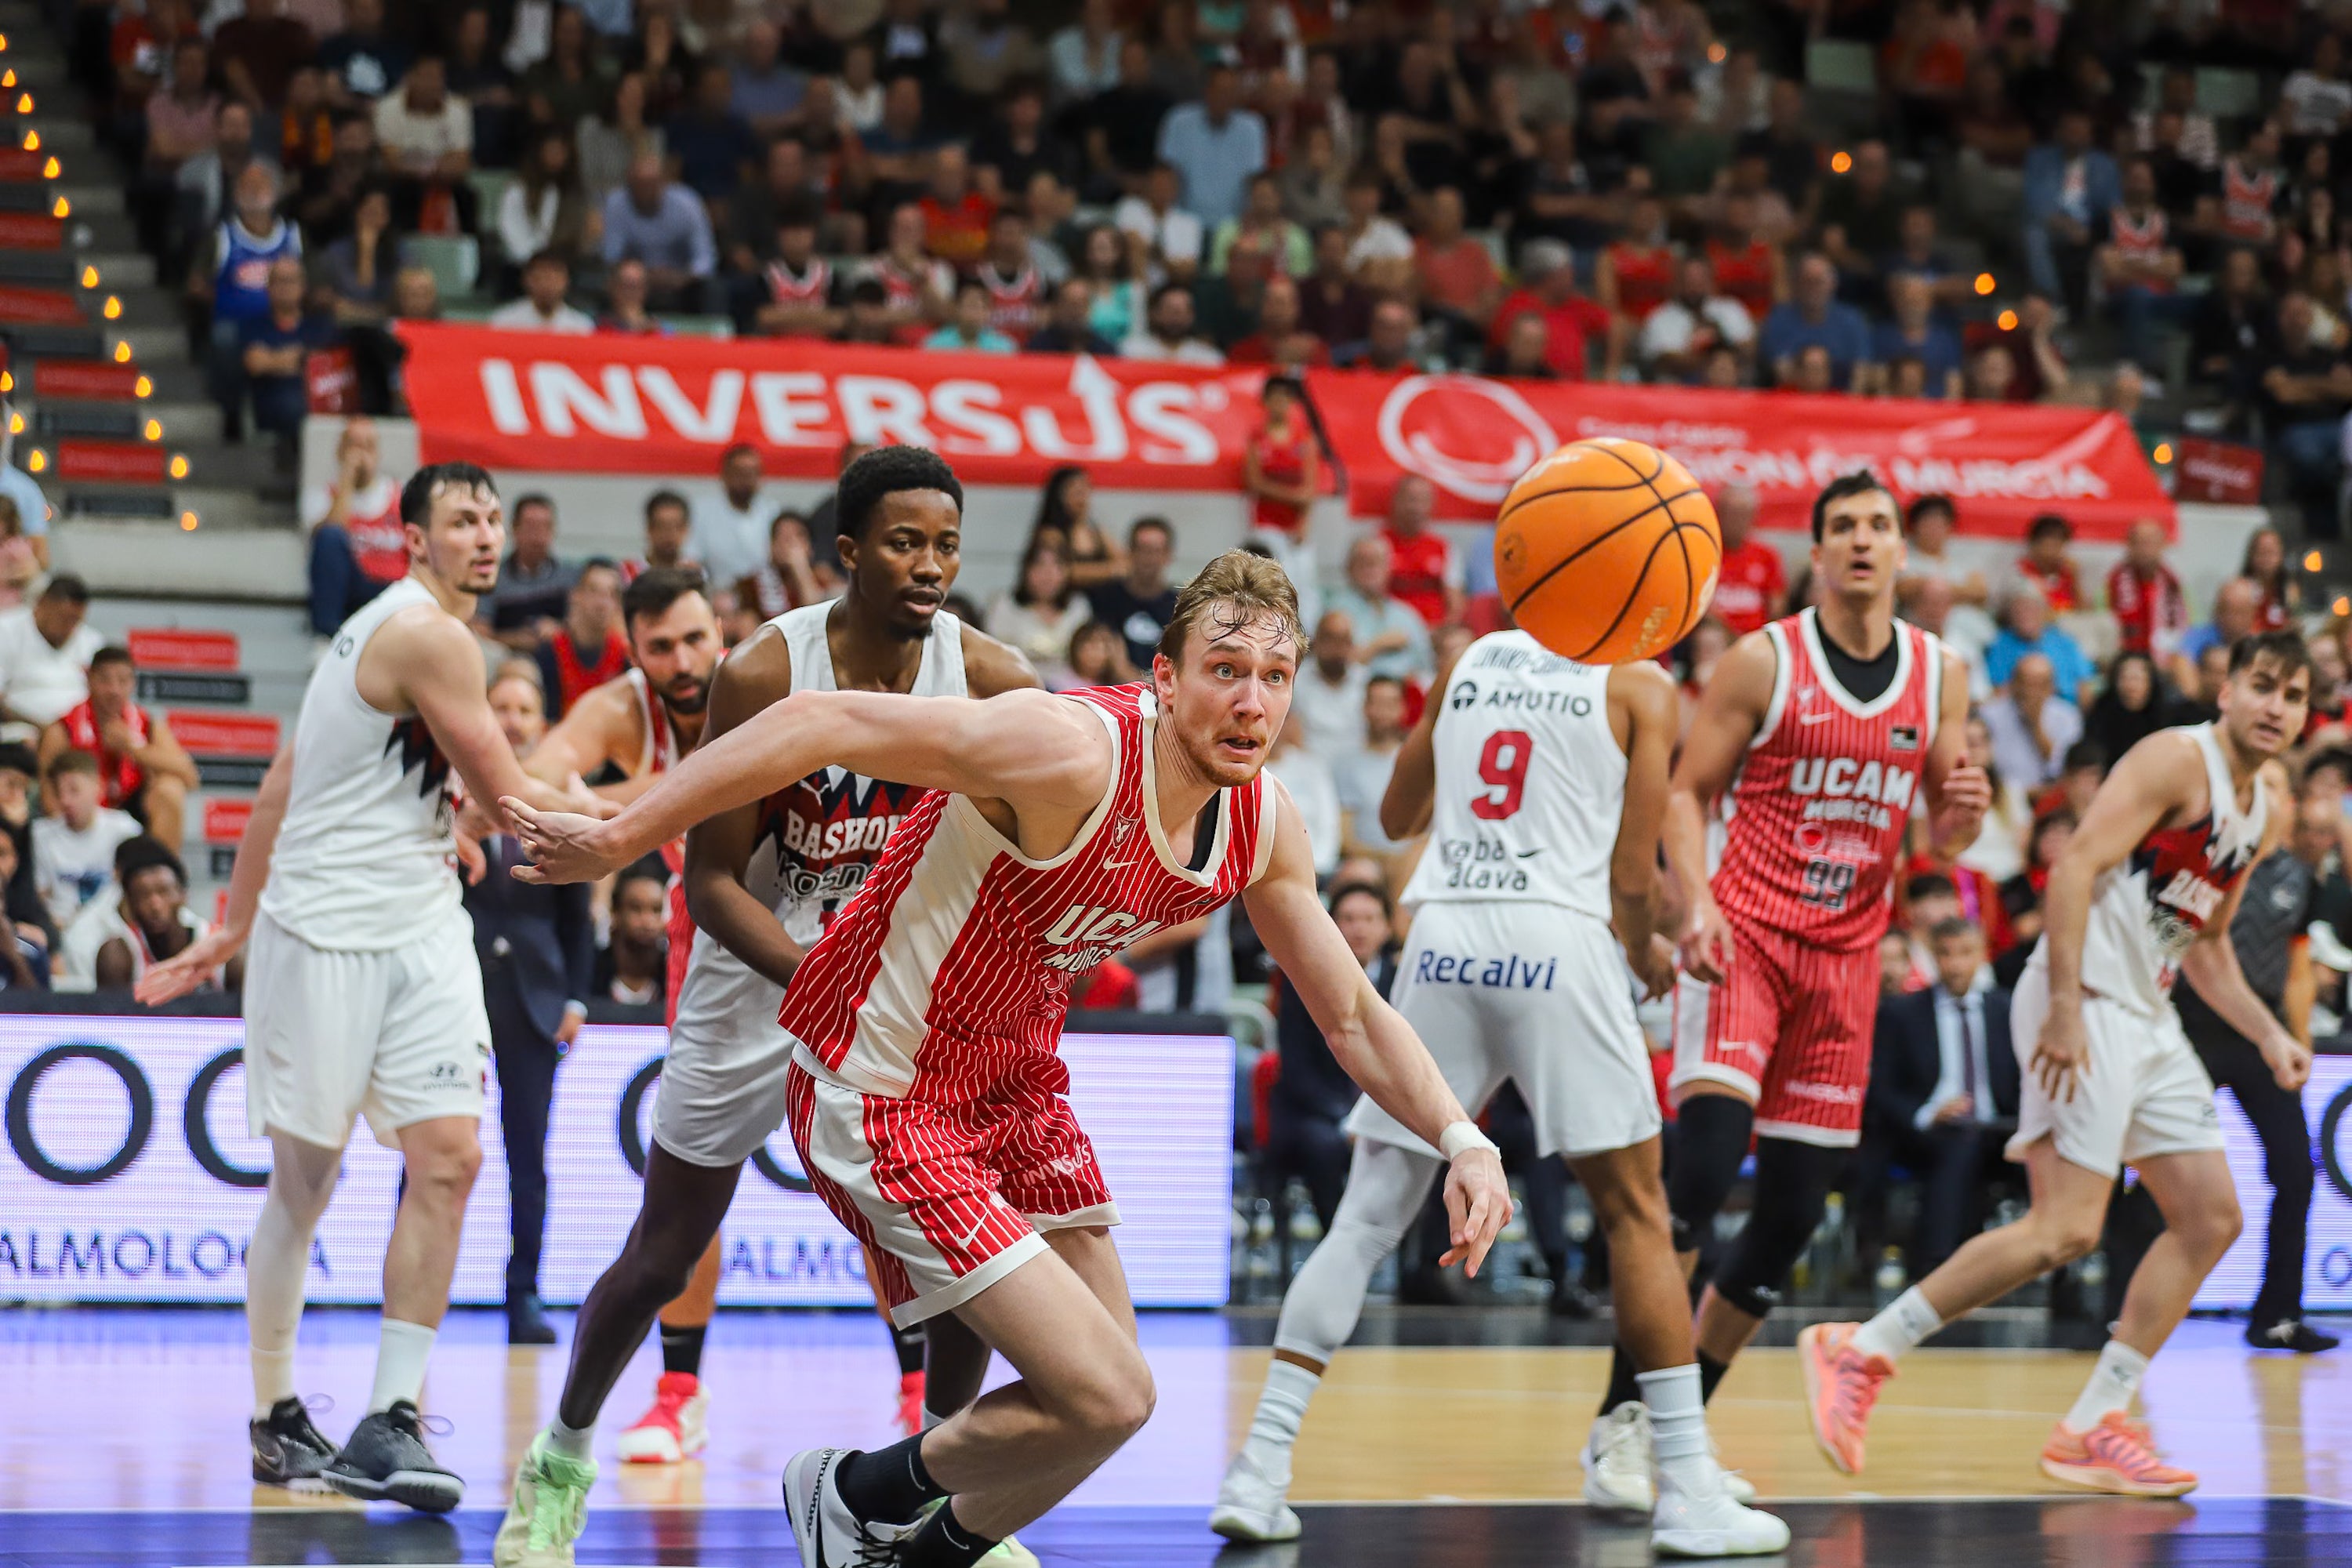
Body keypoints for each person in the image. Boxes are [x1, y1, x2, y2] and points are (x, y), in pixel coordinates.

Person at [500, 547, 1512, 1568]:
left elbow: (1351, 1015)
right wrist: (617, 837)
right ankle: (845, 1491)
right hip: (884, 1076)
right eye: (1225, 670)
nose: (1252, 703)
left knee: (1113, 1407)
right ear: (1165, 679)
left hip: (1016, 1087)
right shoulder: (1068, 749)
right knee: (1102, 1391)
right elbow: (815, 720)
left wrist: (1461, 1135)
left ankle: (917, 1550)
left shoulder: (1262, 822)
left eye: (1275, 678)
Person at [495, 448, 1048, 1566]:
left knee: (958, 1268)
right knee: (661, 1251)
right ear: (845, 553)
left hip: (901, 1001)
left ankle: (942, 1511)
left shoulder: (995, 678)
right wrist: (819, 982)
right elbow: (706, 883)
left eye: (945, 543)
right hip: (756, 977)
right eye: (904, 542)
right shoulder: (763, 671)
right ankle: (557, 1461)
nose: (929, 565)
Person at [1217, 629, 1790, 1558]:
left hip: (1445, 937)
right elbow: (1630, 872)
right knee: (1638, 1213)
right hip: (1558, 935)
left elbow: (1401, 815)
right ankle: (1686, 1484)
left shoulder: (1473, 658)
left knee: (1365, 1218)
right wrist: (1643, 947)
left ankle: (1260, 1466)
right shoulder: (1639, 682)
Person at [134, 461, 605, 1512]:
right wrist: (678, 801)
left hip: (423, 928)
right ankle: (273, 1418)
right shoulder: (423, 633)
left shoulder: (413, 638)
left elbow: (285, 785)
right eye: (461, 521)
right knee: (307, 1185)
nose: (485, 536)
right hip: (326, 937)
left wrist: (231, 924)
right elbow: (515, 795)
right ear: (413, 540)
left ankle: (390, 1421)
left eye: (494, 519)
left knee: (451, 1157)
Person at [1801, 631, 2314, 1496]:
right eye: (2261, 685)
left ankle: (2092, 1423)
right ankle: (1861, 1349)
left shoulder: (2264, 807)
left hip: (2147, 1011)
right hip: (2084, 999)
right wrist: (2069, 1006)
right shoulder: (2174, 757)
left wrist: (2267, 1032)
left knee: (2211, 1216)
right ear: (2225, 689)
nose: (2275, 706)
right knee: (2064, 1227)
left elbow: (2206, 942)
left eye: (2293, 695)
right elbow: (2072, 866)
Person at [1655, 471, 1987, 1440]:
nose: (1863, 540)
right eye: (1843, 525)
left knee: (1794, 1212)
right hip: (1746, 940)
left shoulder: (1941, 673)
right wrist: (1699, 903)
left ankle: (1683, 1423)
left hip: (1847, 963)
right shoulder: (1764, 661)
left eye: (1879, 525)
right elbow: (1685, 792)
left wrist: (1961, 820)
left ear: (1900, 550)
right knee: (1706, 1171)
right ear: (1817, 552)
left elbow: (1947, 834)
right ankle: (1630, 1416)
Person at [2172, 788, 2343, 1353]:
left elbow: (2298, 967)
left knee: (2296, 1172)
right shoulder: (2208, 859)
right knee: (2154, 1173)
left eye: (2279, 789)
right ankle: (2123, 1312)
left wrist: (2296, 1037)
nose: (2271, 798)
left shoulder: (2300, 876)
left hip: (2259, 1033)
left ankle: (2277, 1315)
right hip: (2191, 1025)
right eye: (2260, 785)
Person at [466, 666, 595, 1345]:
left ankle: (525, 1295)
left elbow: (579, 918)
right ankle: (410, 1288)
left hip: (536, 1003)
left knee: (529, 1156)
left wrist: (576, 995)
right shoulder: (453, 792)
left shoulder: (555, 803)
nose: (513, 718)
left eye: (525, 708)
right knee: (438, 1148)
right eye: (501, 706)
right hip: (458, 996)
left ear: (542, 724)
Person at [1857, 916, 2020, 1275]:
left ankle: (2058, 1272)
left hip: (2001, 1129)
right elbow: (1882, 1090)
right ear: (1933, 956)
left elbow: (2025, 1082)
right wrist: (1929, 1112)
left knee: (2061, 1154)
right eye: (1946, 954)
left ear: (1983, 954)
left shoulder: (2008, 1010)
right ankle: (1938, 1268)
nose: (1956, 964)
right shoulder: (1902, 1013)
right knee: (1960, 1146)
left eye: (1966, 953)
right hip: (1930, 1131)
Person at [1258, 881, 1398, 1227]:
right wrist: (1349, 1119)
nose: (1359, 928)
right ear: (1332, 924)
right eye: (1349, 918)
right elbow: (1296, 1068)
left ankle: (1421, 1266)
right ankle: (1339, 1241)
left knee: (1426, 1149)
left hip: (1388, 1109)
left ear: (1387, 927)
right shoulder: (1301, 976)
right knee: (1323, 1145)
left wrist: (1374, 1118)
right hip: (1318, 1111)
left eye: (1369, 918)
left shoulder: (1404, 980)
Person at [39, 647, 200, 853]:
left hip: (131, 810)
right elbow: (48, 795)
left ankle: (159, 869)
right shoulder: (63, 729)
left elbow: (190, 776)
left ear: (133, 684)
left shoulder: (147, 725)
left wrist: (134, 749)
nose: (114, 690)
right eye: (105, 680)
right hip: (82, 816)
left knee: (170, 788)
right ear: (89, 679)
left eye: (123, 681)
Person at [305, 419, 408, 637]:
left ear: (378, 453)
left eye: (368, 446)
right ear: (340, 451)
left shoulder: (402, 497)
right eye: (353, 445)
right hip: (350, 590)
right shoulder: (322, 496)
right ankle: (328, 636)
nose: (361, 454)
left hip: (393, 590)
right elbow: (330, 532)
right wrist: (347, 480)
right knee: (330, 536)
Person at [85, 835, 217, 992]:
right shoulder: (120, 952)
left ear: (183, 895)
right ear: (130, 904)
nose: (155, 905)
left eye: (164, 892)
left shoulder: (215, 944)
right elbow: (110, 1014)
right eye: (143, 895)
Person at [33, 751, 143, 929]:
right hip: (60, 928)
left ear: (98, 786)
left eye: (74, 790)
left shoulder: (124, 829)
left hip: (112, 927)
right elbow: (39, 895)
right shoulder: (40, 835)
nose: (65, 801)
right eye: (59, 793)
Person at [1241, 376, 1320, 601]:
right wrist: (1295, 497)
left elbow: (1310, 489)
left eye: (1284, 398)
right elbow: (1254, 482)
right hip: (1265, 524)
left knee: (1305, 584)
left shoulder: (1304, 439)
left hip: (1295, 528)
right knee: (1274, 581)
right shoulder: (1258, 439)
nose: (1279, 404)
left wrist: (1303, 524)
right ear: (1265, 401)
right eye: (1274, 398)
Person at [474, 494, 578, 653]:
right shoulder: (492, 578)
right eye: (532, 527)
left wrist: (561, 630)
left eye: (546, 527)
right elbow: (479, 633)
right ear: (515, 530)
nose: (539, 536)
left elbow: (589, 627)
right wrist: (514, 640)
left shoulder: (570, 576)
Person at [535, 561, 629, 720]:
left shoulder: (626, 654)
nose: (603, 603)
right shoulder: (550, 652)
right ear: (576, 595)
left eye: (612, 594)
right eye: (594, 591)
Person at [988, 540, 1090, 682]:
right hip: (1015, 687)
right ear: (1025, 570)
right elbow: (994, 655)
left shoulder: (1078, 608)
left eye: (1057, 566)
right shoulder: (1005, 605)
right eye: (1040, 565)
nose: (1048, 574)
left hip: (1068, 691)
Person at [1087, 517, 1181, 671]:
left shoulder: (1180, 606)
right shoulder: (1105, 599)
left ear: (1168, 555)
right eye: (1143, 549)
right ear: (1130, 552)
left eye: (1156, 551)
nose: (1149, 559)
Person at [688, 445, 771, 594]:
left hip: (764, 597)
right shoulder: (701, 513)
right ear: (724, 475)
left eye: (751, 473)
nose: (745, 479)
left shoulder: (772, 513)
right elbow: (691, 561)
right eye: (739, 473)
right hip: (715, 594)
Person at [1706, 482, 1784, 638]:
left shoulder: (1766, 554)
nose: (1736, 520)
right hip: (1718, 633)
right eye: (1731, 513)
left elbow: (1777, 604)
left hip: (1757, 635)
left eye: (1742, 513)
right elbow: (1701, 607)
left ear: (1753, 516)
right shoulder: (1706, 553)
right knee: (1709, 637)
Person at [594, 868, 670, 1005]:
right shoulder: (589, 971)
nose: (647, 921)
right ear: (615, 913)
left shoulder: (676, 977)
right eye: (636, 909)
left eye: (656, 910)